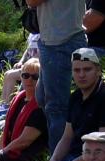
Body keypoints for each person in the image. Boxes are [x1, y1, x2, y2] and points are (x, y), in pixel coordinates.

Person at [30, 0, 87, 153]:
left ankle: (58, 159)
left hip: (59, 42)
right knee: (42, 96)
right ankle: (66, 144)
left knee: (56, 108)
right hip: (58, 37)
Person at [0, 58, 46, 161]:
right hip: (10, 153)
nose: (29, 80)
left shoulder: (40, 107)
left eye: (35, 77)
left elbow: (24, 141)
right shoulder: (18, 99)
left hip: (24, 158)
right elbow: (6, 132)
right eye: (25, 75)